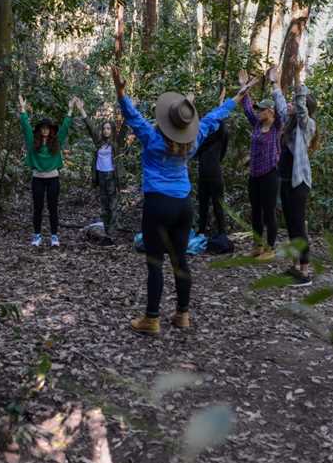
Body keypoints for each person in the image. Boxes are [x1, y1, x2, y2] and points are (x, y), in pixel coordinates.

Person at [113, 66, 247, 335]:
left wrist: (120, 91)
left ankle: (152, 319)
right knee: (180, 262)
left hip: (158, 205)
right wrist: (237, 97)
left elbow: (132, 116)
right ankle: (182, 315)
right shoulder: (194, 141)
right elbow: (212, 118)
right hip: (183, 206)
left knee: (155, 262)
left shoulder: (151, 138)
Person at [275, 65, 318, 286]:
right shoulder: (289, 124)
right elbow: (282, 106)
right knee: (291, 224)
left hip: (299, 182)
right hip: (286, 180)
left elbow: (300, 110)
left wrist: (300, 85)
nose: (290, 106)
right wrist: (275, 83)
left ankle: (305, 271)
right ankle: (294, 266)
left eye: (296, 104)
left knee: (299, 225)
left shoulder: (307, 124)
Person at [239, 66, 286, 260]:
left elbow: (282, 110)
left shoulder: (277, 126)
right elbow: (247, 106)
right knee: (255, 211)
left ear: (270, 111)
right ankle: (257, 245)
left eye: (261, 109)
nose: (257, 112)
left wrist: (276, 84)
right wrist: (244, 86)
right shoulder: (257, 124)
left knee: (268, 212)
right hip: (254, 175)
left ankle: (271, 247)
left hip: (270, 175)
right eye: (258, 110)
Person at [18, 94, 76, 247]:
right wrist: (22, 109)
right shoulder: (33, 142)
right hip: (37, 178)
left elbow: (64, 128)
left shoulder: (56, 141)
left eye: (48, 128)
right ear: (40, 130)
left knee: (53, 208)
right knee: (37, 208)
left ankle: (54, 236)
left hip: (53, 179)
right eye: (43, 128)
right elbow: (25, 127)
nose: (45, 130)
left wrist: (70, 110)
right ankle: (37, 236)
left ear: (51, 130)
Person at [75, 96, 125, 245]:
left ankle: (113, 234)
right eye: (104, 128)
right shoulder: (99, 142)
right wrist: (81, 109)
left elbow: (125, 129)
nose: (106, 130)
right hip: (101, 176)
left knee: (113, 205)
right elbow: (90, 127)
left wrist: (129, 110)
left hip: (111, 176)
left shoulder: (116, 143)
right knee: (104, 206)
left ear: (112, 130)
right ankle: (106, 234)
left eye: (109, 128)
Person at [194, 86, 230, 238]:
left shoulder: (219, 136)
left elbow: (220, 124)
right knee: (203, 205)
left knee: (218, 205)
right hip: (203, 175)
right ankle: (202, 231)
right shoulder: (201, 140)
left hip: (215, 174)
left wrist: (221, 104)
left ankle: (222, 233)